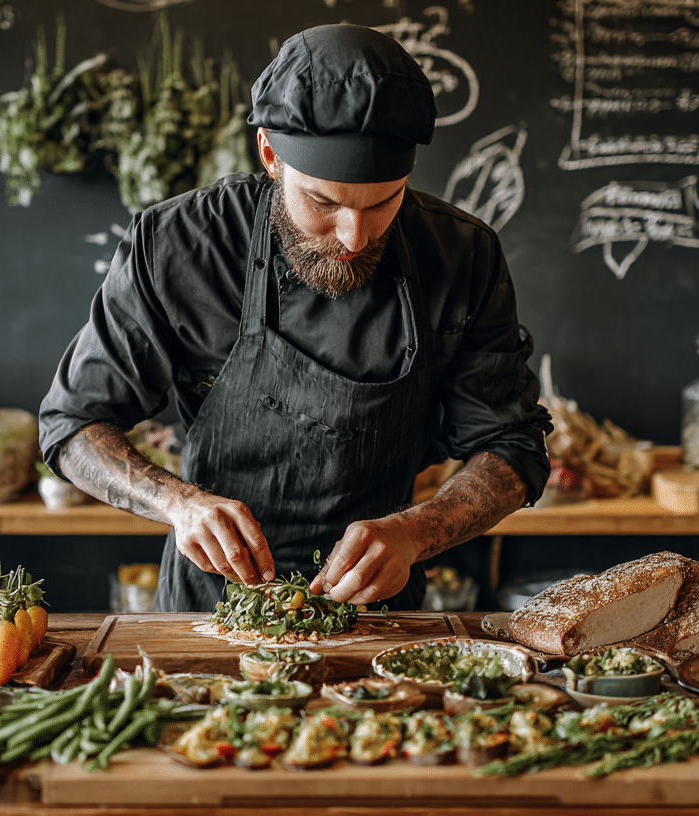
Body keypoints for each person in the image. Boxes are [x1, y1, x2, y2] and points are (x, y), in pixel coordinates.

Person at [39, 23, 552, 613]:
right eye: (324, 203)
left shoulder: (462, 254)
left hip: (380, 615)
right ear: (269, 156)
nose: (355, 238)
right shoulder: (179, 245)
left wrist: (415, 533)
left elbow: (513, 446)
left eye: (384, 203)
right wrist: (179, 504)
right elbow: (72, 426)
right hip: (208, 612)